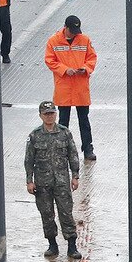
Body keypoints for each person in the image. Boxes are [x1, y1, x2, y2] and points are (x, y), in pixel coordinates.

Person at [24, 101, 81, 259]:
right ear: (41, 115)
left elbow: (73, 155)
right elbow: (29, 160)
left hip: (62, 181)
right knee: (47, 214)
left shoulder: (64, 133)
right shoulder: (35, 136)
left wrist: (75, 176)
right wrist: (29, 180)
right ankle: (52, 244)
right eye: (46, 114)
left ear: (55, 114)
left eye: (52, 113)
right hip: (42, 183)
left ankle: (71, 245)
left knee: (66, 213)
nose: (49, 116)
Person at [44, 16, 98, 161]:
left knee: (84, 121)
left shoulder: (84, 40)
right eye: (72, 31)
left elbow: (92, 58)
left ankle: (88, 149)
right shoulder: (53, 41)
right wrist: (64, 69)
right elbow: (50, 60)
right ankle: (61, 150)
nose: (75, 34)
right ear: (65, 27)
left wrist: (85, 68)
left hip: (80, 87)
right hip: (64, 87)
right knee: (63, 121)